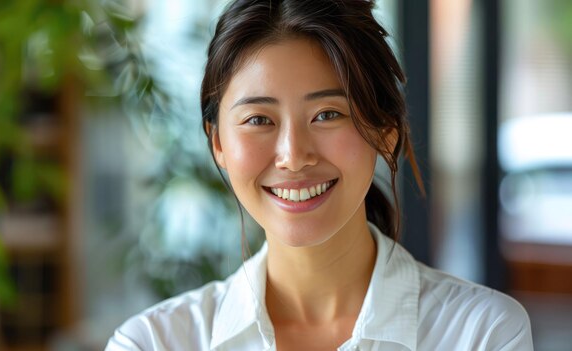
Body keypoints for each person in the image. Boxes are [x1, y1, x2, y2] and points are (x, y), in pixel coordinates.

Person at [106, 0, 533, 350]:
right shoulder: (154, 342)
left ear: (387, 132)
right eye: (258, 119)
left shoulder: (481, 334)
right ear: (217, 142)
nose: (293, 156)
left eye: (327, 114)